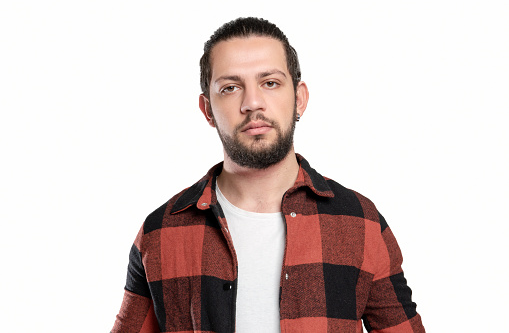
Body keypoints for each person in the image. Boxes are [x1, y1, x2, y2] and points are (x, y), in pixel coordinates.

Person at [112, 17, 425, 333]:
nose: (252, 103)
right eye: (231, 88)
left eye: (270, 83)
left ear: (299, 98)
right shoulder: (160, 231)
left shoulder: (361, 222)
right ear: (207, 109)